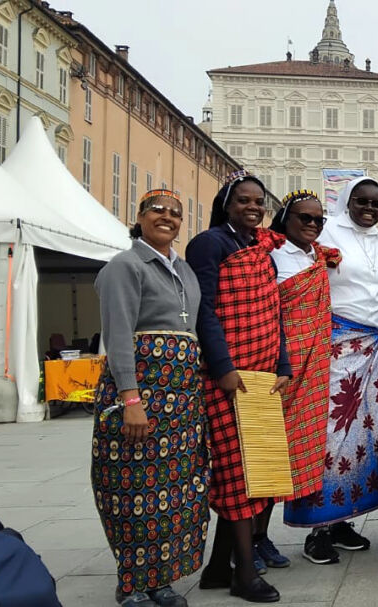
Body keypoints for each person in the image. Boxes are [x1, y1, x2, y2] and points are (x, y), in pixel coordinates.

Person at [91, 190, 208, 607]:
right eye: (157, 209)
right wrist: (130, 399)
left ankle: (160, 578)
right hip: (142, 392)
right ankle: (132, 584)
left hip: (180, 399)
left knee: (174, 489)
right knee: (130, 487)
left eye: (176, 213)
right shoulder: (125, 266)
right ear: (138, 217)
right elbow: (119, 336)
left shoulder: (185, 271)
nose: (168, 217)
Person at [186, 171, 291, 603]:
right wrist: (223, 367)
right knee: (238, 474)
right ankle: (244, 574)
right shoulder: (210, 244)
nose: (253, 207)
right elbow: (205, 311)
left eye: (259, 202)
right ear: (226, 203)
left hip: (264, 374)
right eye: (244, 200)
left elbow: (273, 310)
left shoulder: (260, 251)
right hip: (230, 378)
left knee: (260, 469)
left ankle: (215, 569)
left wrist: (282, 363)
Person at [284, 176, 378, 561]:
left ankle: (343, 518)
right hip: (334, 344)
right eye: (361, 201)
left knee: (362, 439)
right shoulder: (326, 231)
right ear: (347, 201)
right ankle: (317, 529)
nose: (369, 208)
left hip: (372, 346)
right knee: (329, 435)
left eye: (376, 203)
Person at [267, 190, 341, 563]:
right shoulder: (272, 256)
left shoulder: (319, 256)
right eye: (304, 218)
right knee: (272, 450)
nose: (312, 225)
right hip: (284, 365)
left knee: (313, 446)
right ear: (286, 219)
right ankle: (254, 538)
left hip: (318, 364)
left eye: (318, 220)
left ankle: (320, 525)